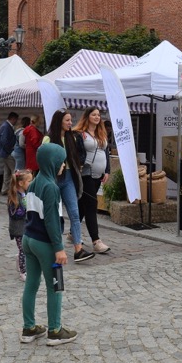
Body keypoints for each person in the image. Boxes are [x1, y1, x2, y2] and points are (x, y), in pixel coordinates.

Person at [20, 141, 78, 346]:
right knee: (56, 286)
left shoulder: (34, 182)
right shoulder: (52, 187)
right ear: (53, 162)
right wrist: (59, 248)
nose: (63, 165)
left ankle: (29, 328)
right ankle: (55, 329)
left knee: (31, 285)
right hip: (45, 244)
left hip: (29, 239)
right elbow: (52, 221)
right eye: (61, 162)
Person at [46, 110, 94, 263]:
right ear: (59, 121)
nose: (70, 123)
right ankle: (56, 249)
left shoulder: (71, 137)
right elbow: (43, 158)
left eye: (70, 120)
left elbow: (79, 154)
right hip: (54, 178)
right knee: (56, 215)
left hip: (68, 178)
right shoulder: (48, 139)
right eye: (67, 120)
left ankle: (78, 249)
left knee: (74, 213)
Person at [73, 107, 111, 254]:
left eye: (98, 115)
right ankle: (96, 241)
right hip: (86, 174)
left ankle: (72, 232)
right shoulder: (80, 134)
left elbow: (106, 152)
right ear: (87, 116)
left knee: (83, 204)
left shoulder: (101, 133)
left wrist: (107, 170)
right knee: (91, 205)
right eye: (93, 114)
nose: (97, 117)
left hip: (98, 175)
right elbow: (76, 153)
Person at [8, 169, 33, 281]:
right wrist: (25, 209)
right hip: (18, 228)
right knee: (23, 250)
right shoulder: (14, 196)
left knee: (26, 249)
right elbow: (14, 213)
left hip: (27, 226)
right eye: (29, 181)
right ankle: (23, 272)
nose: (31, 183)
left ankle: (20, 260)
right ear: (21, 183)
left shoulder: (27, 194)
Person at [0, 112, 19, 194]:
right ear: (13, 119)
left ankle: (5, 189)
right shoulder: (6, 126)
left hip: (5, 153)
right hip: (8, 153)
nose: (16, 121)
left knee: (7, 172)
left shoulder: (5, 125)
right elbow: (4, 141)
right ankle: (13, 190)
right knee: (13, 171)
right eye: (16, 119)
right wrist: (10, 150)